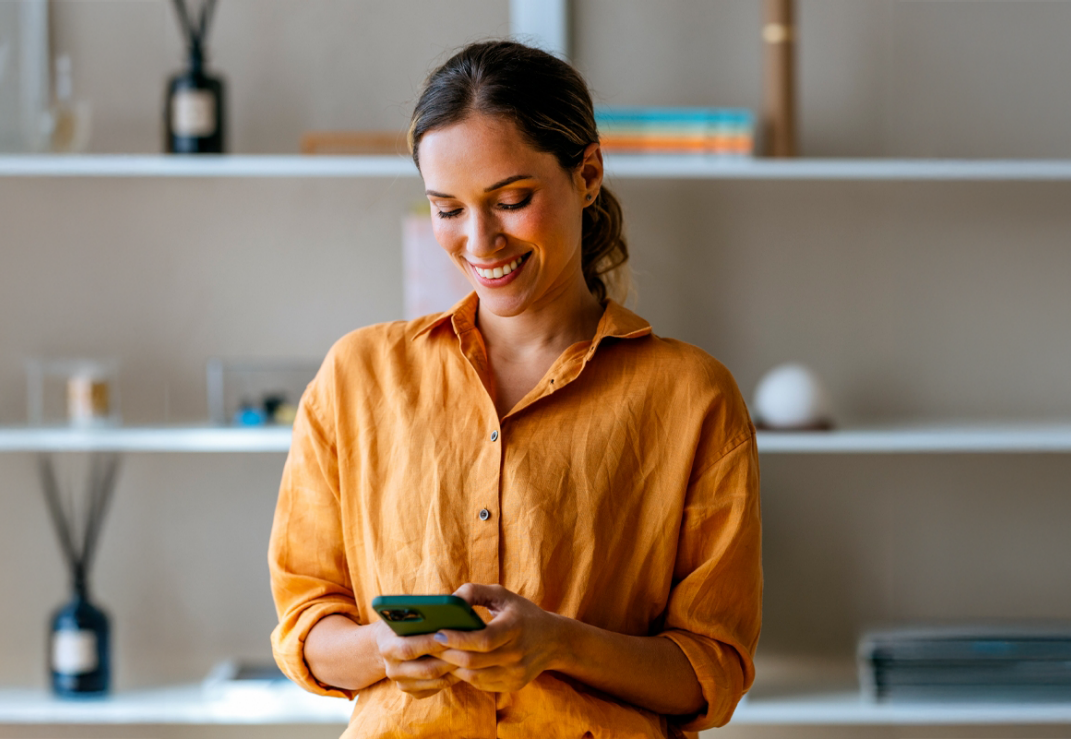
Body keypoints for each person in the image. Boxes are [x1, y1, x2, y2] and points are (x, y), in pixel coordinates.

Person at [270, 40, 762, 738]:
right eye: (448, 208)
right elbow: (306, 625)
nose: (480, 240)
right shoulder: (357, 376)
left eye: (511, 200)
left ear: (588, 174)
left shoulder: (694, 397)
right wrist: (382, 646)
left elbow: (711, 669)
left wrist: (560, 642)